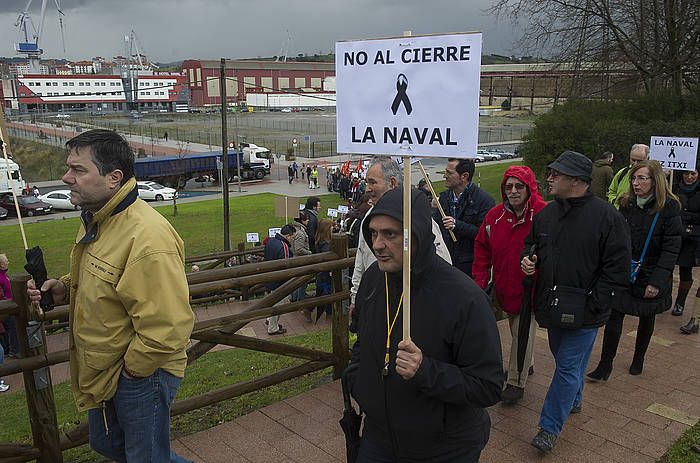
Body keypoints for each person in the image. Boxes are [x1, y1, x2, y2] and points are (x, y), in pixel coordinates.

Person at [26, 129, 194, 463]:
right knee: (107, 444)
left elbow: (168, 328)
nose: (66, 177)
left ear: (114, 177)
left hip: (140, 372)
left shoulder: (148, 237)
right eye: (68, 167)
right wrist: (65, 287)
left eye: (78, 170)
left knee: (144, 457)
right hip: (107, 369)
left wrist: (130, 372)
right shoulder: (100, 216)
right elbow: (109, 275)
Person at [346, 187, 504, 462]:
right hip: (379, 438)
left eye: (390, 234)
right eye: (373, 233)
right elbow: (363, 341)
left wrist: (426, 371)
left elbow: (488, 386)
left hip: (442, 446)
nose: (378, 245)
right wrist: (359, 382)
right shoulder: (373, 279)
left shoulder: (464, 298)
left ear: (416, 234)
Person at [521, 150, 630, 453]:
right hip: (552, 307)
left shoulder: (608, 217)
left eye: (557, 173)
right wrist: (527, 260)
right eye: (551, 172)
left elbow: (617, 266)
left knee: (567, 367)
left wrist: (597, 301)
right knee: (565, 361)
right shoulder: (545, 215)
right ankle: (575, 398)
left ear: (578, 181)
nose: (550, 178)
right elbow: (531, 246)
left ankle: (548, 428)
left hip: (588, 309)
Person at [587, 160, 682, 381]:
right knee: (614, 317)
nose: (636, 183)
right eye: (633, 178)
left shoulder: (669, 207)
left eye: (642, 178)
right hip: (625, 271)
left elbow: (671, 249)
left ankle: (638, 358)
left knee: (646, 318)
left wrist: (657, 282)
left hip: (651, 272)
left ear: (655, 181)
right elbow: (617, 237)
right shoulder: (627, 203)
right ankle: (605, 364)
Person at [473, 166, 547, 405]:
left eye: (518, 186)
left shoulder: (544, 215)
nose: (513, 191)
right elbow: (481, 250)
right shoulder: (494, 217)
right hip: (505, 286)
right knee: (518, 331)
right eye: (508, 187)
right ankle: (528, 362)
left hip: (532, 288)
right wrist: (479, 282)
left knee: (521, 331)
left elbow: (556, 251)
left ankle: (516, 382)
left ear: (529, 187)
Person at [349, 157, 451, 331]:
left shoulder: (417, 220)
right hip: (376, 301)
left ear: (393, 182)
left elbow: (443, 263)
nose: (367, 188)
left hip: (410, 307)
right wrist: (355, 297)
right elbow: (361, 258)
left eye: (372, 182)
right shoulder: (369, 217)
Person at [435, 158, 495, 276]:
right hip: (445, 263)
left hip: (470, 267)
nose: (444, 176)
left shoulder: (484, 201)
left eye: (449, 173)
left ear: (464, 176)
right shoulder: (443, 198)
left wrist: (457, 225)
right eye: (445, 172)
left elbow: (484, 235)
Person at [674, 167, 700, 333]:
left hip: (695, 238)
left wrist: (686, 216)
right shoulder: (674, 187)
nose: (689, 177)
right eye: (686, 173)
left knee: (686, 270)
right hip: (677, 234)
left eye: (693, 174)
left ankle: (694, 318)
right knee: (668, 266)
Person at [263, 224, 296, 335]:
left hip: (269, 277)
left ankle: (270, 320)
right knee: (280, 303)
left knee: (273, 302)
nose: (293, 240)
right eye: (293, 237)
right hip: (279, 282)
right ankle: (273, 327)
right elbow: (286, 267)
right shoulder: (284, 247)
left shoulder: (271, 241)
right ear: (288, 236)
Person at [290, 212, 312, 319]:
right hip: (300, 260)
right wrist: (309, 253)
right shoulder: (300, 233)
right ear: (302, 220)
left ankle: (295, 299)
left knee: (296, 281)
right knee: (301, 282)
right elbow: (298, 249)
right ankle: (299, 301)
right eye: (306, 219)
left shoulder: (295, 230)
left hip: (297, 260)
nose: (308, 221)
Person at [314, 219, 334, 321]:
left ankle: (312, 310)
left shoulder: (319, 240)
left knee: (321, 292)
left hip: (321, 273)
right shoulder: (326, 244)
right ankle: (329, 314)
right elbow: (328, 258)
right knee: (327, 292)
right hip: (325, 273)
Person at [0, 254, 19, 359]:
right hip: (6, 307)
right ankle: (14, 350)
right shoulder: (1, 277)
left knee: (12, 328)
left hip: (10, 305)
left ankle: (11, 349)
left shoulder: (5, 275)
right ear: (1, 265)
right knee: (13, 327)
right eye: (6, 261)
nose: (8, 262)